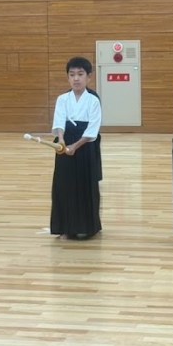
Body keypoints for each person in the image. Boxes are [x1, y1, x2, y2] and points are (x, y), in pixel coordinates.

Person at [50, 57, 102, 240]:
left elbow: (93, 129)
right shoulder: (62, 99)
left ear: (89, 77)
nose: (76, 78)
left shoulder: (93, 100)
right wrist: (62, 141)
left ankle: (87, 227)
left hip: (85, 146)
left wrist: (76, 145)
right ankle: (65, 227)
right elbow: (59, 122)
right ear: (68, 78)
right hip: (64, 146)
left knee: (85, 186)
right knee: (64, 186)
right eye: (72, 75)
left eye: (80, 74)